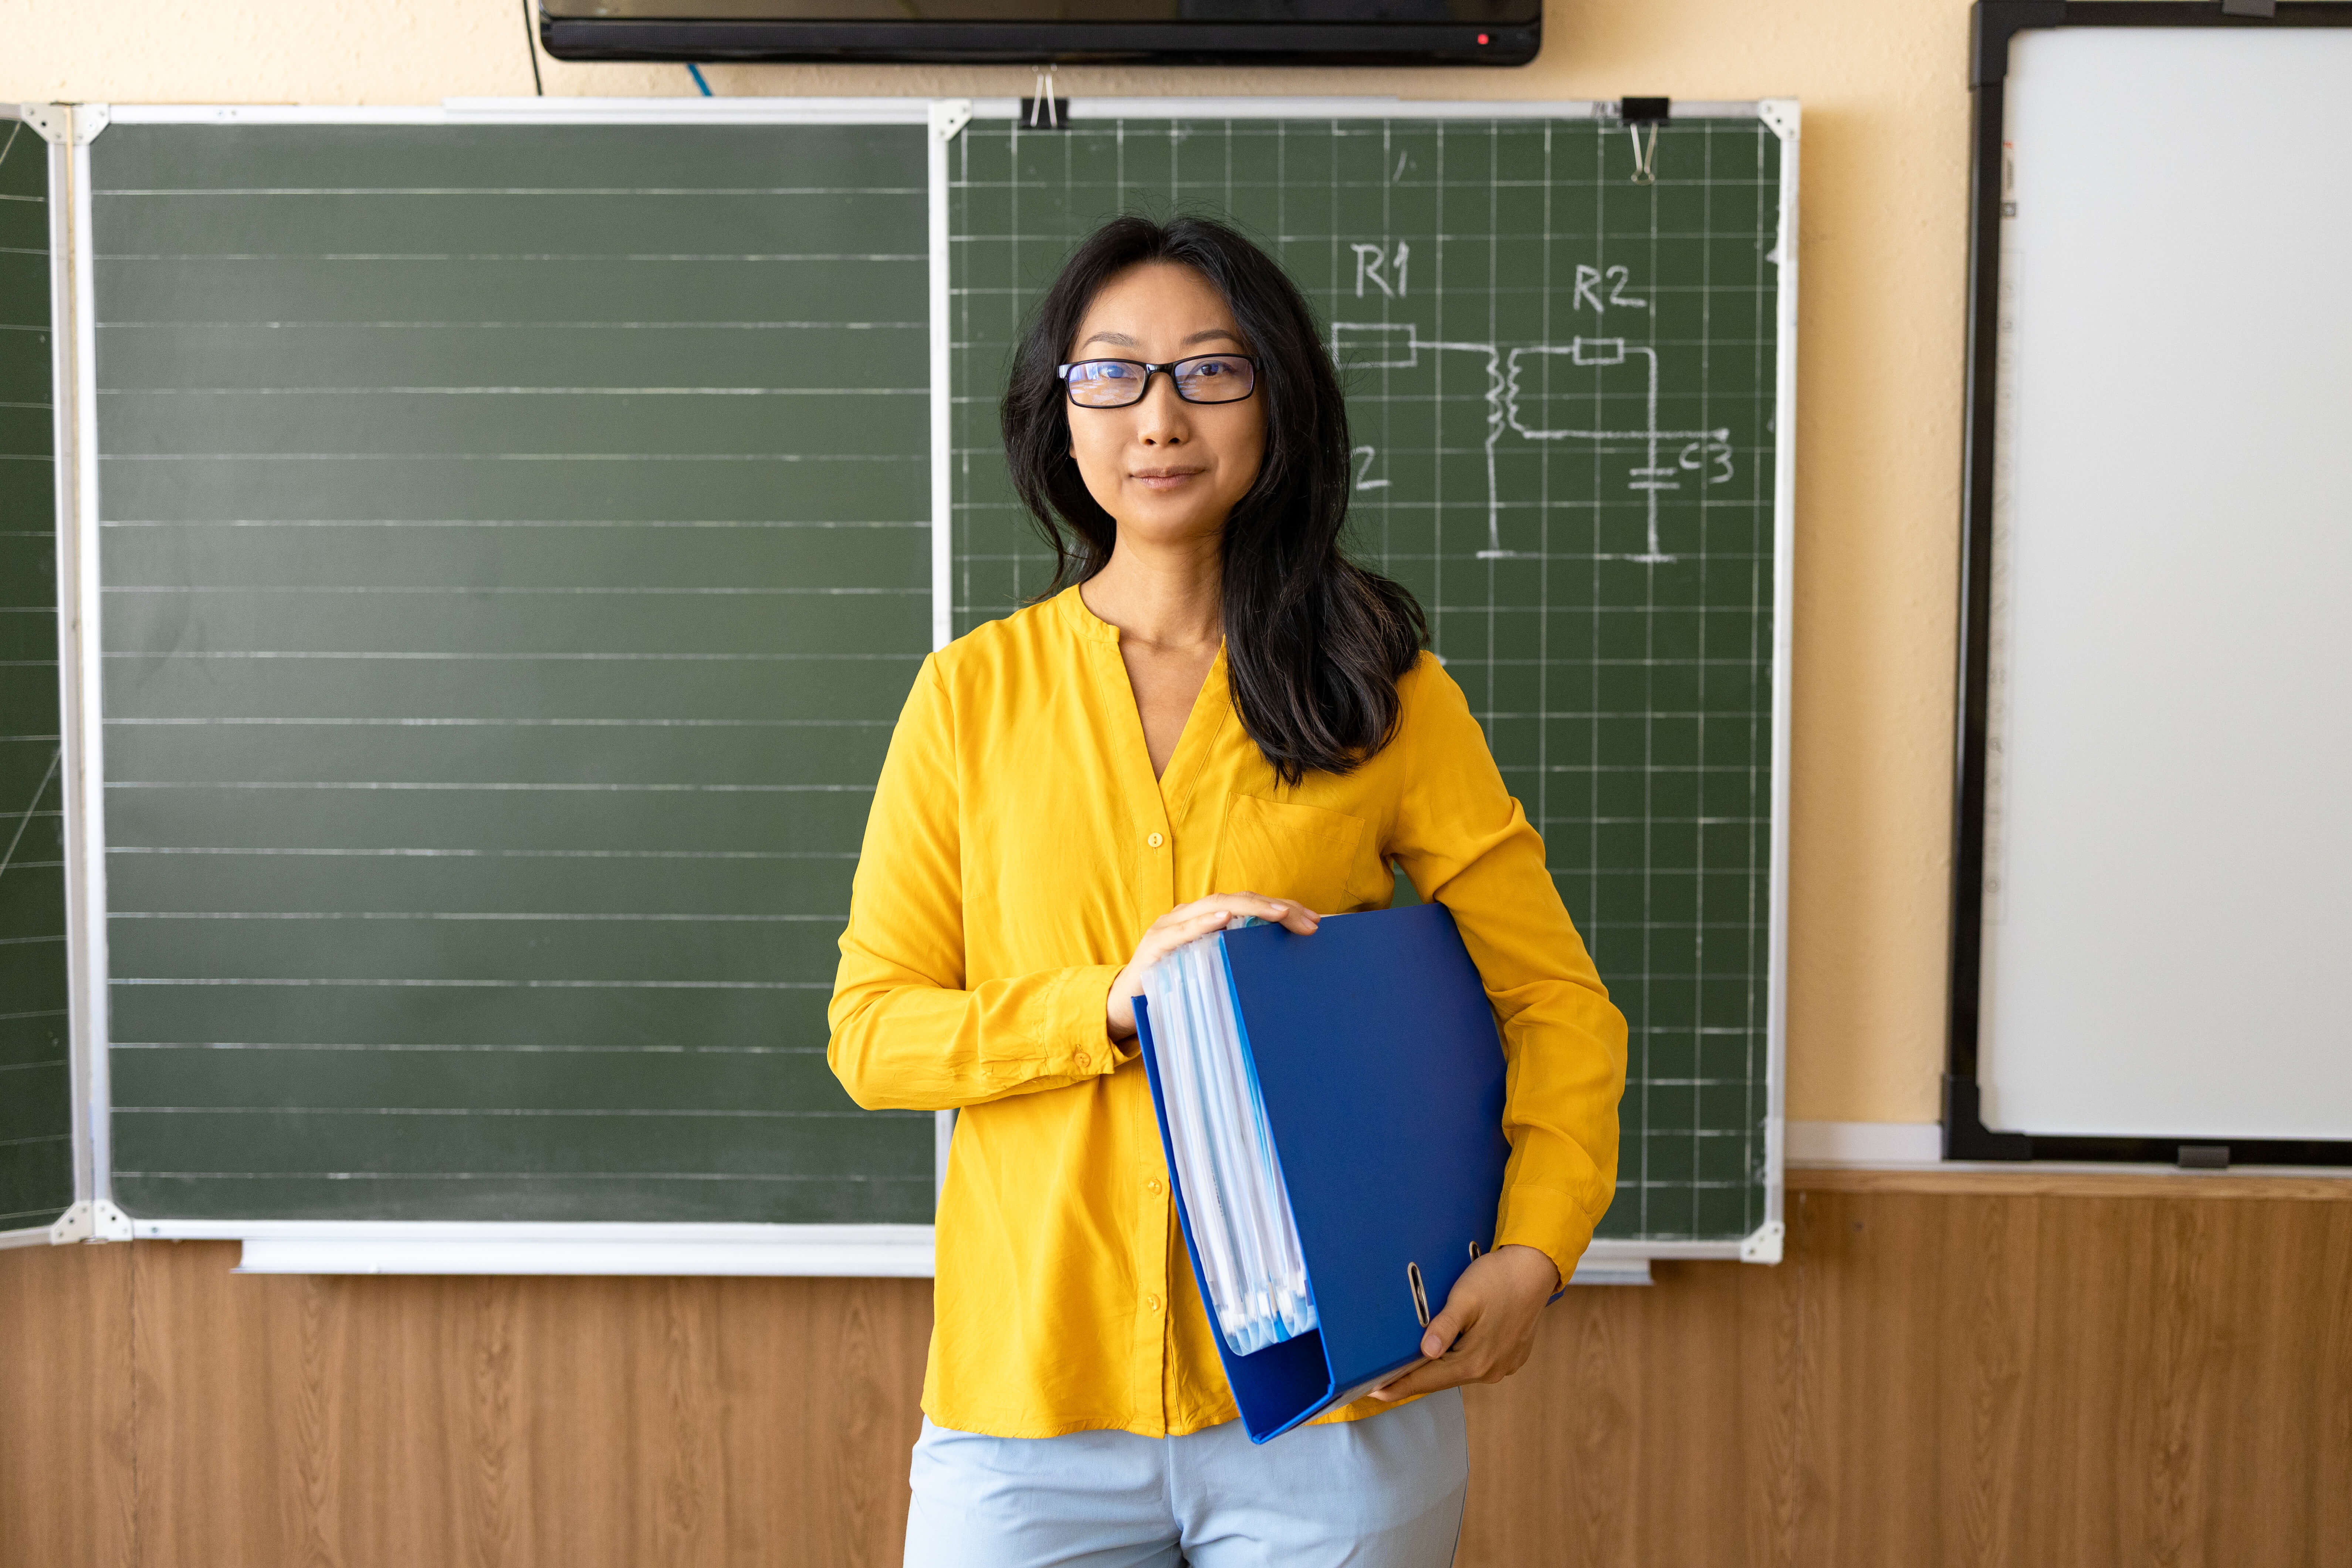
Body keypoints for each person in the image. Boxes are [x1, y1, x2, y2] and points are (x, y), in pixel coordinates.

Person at [829, 214, 1627, 1568]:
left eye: (1211, 370)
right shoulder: (969, 698)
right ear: (1059, 416)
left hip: (1338, 1412)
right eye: (1112, 374)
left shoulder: (1383, 690)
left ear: (1277, 402)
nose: (1159, 416)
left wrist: (1536, 1251)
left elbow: (1554, 998)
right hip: (1030, 1406)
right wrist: (1110, 1007)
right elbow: (873, 1031)